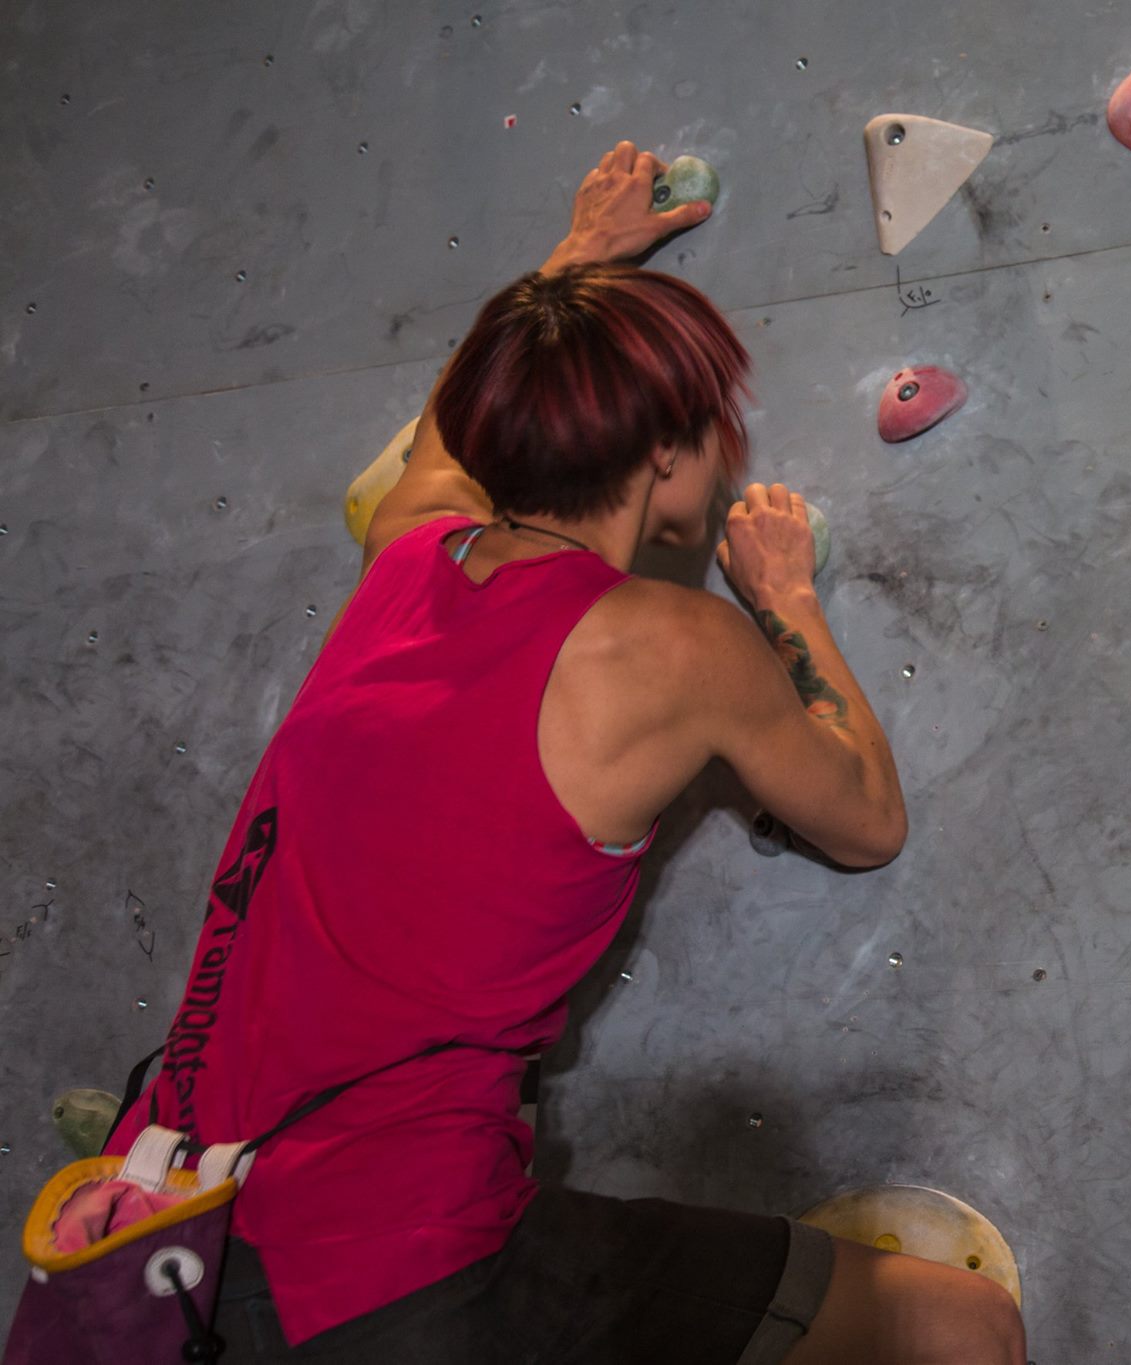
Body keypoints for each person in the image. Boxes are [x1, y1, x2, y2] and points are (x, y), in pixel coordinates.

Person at [104, 140, 1026, 1364]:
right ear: (661, 450)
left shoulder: (406, 558)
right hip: (388, 1271)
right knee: (953, 1332)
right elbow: (862, 817)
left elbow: (441, 452)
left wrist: (574, 268)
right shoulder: (665, 645)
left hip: (160, 1231)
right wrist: (784, 600)